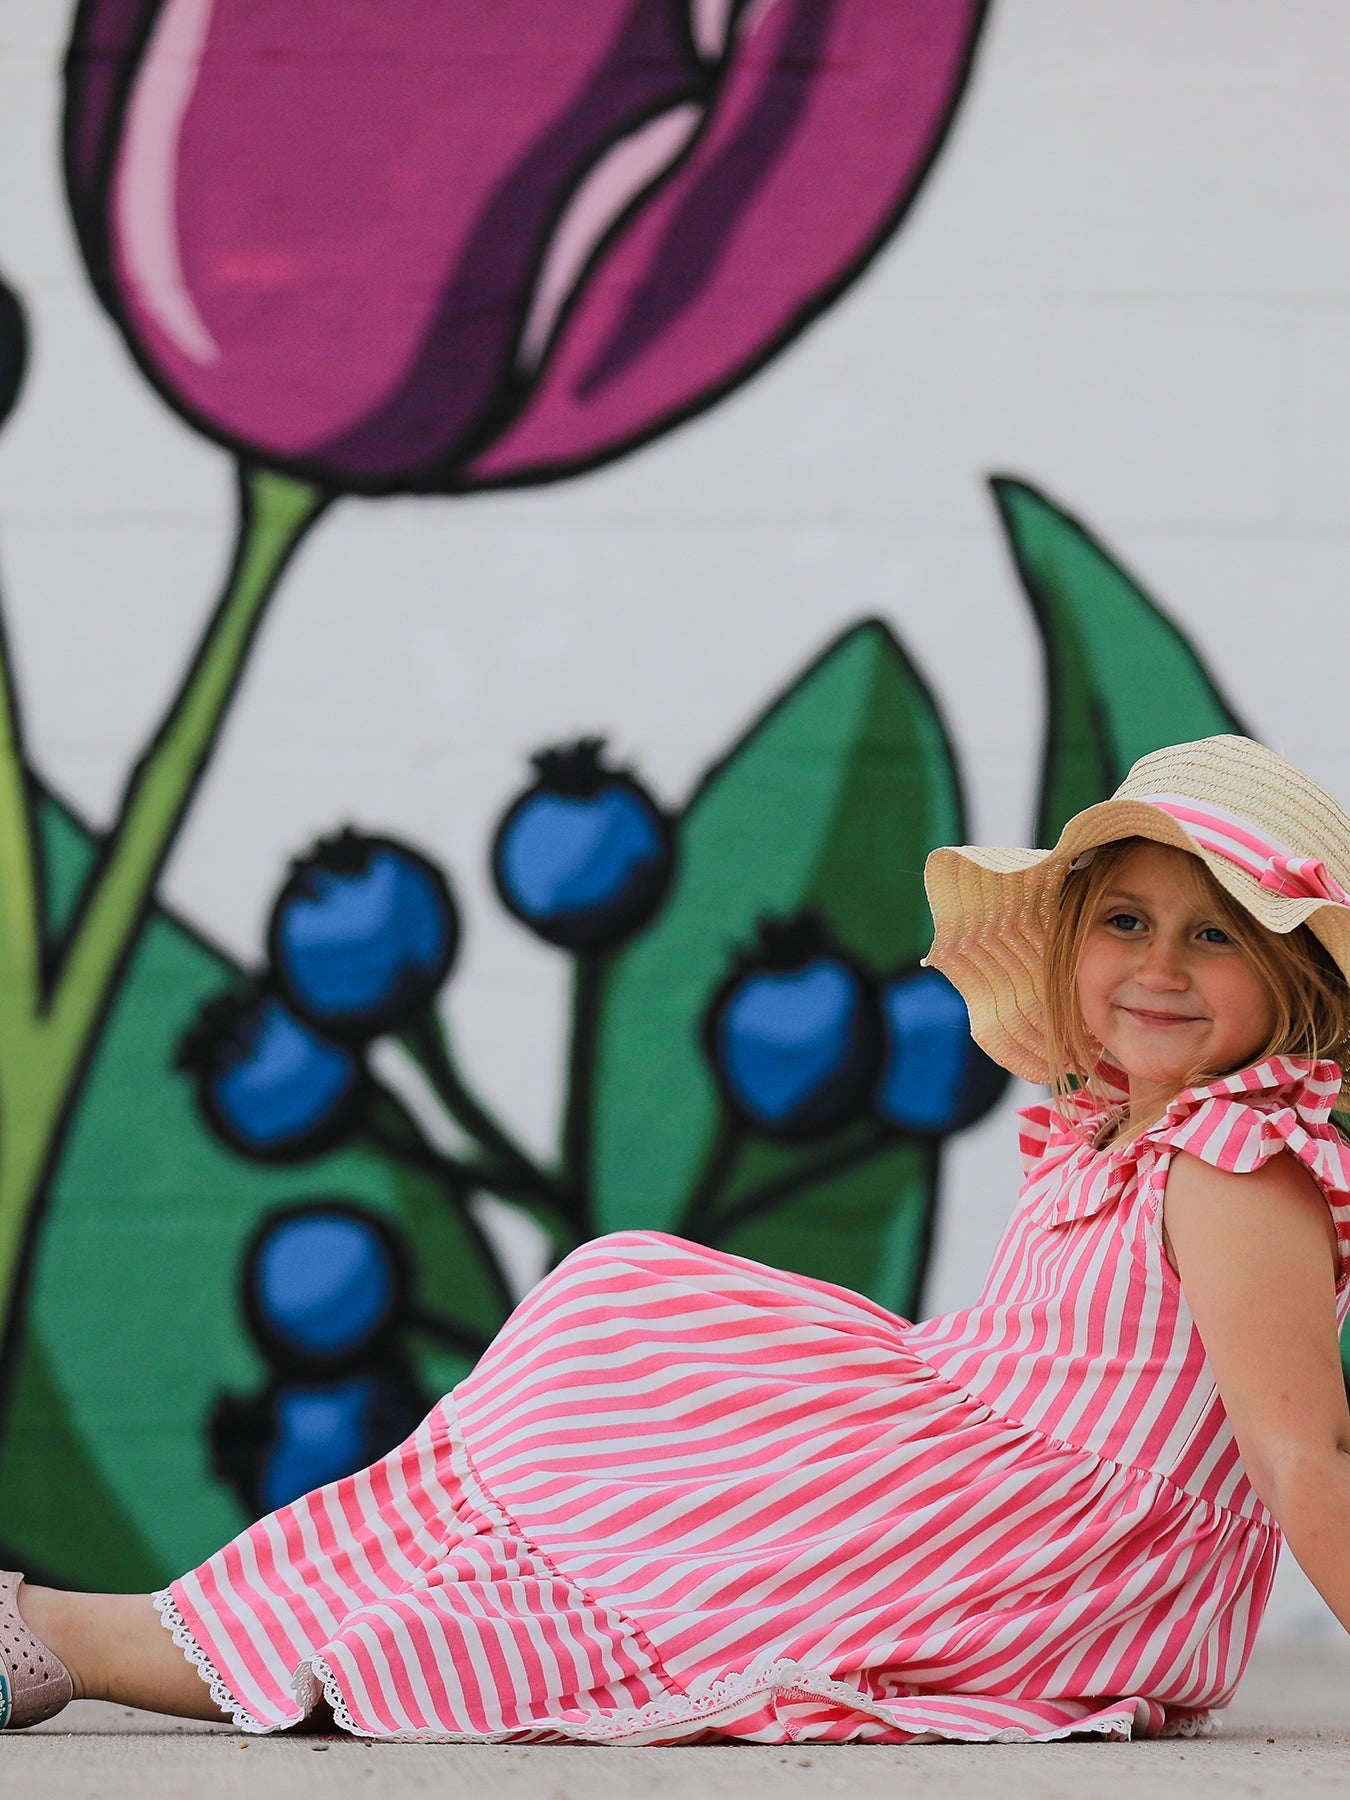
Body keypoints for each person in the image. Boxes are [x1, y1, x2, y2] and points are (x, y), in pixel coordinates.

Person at [5, 733, 1350, 1743]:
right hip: (972, 1465)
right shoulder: (1115, 1134)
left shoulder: (1236, 1165)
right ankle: (79, 1629)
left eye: (1213, 937)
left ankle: (68, 1633)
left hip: (1031, 1544)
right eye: (1124, 921)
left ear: (1293, 976)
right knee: (609, 1342)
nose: (1158, 966)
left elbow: (1301, 1449)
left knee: (634, 1511)